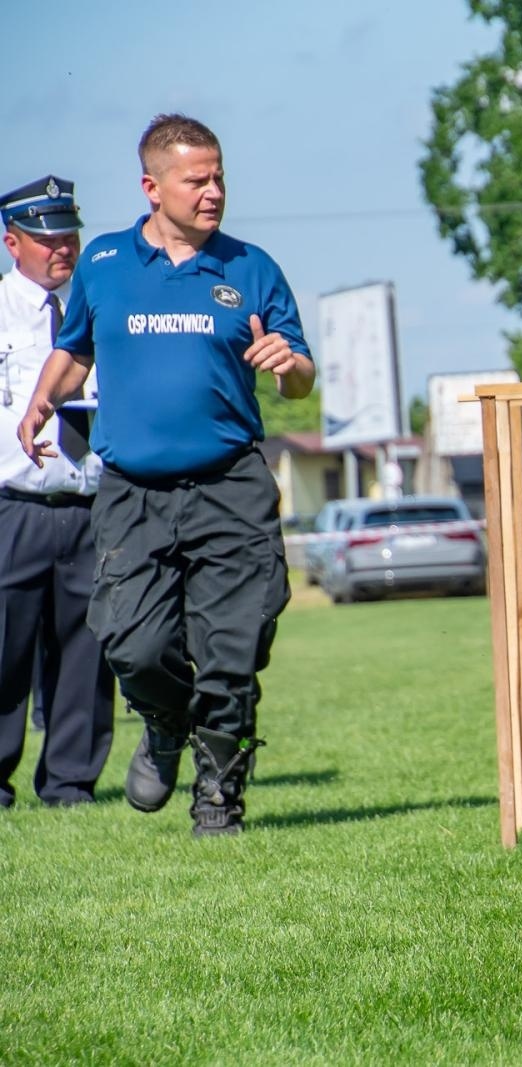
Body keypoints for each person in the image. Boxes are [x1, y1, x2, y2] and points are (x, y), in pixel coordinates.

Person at [18, 114, 315, 836]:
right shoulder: (105, 262)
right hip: (133, 492)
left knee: (233, 647)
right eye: (196, 180)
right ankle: (163, 721)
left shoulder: (252, 268)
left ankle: (219, 798)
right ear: (152, 187)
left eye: (219, 178)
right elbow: (76, 348)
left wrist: (289, 365)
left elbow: (301, 375)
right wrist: (41, 400)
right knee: (133, 642)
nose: (213, 192)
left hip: (230, 484)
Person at [0, 175, 115, 809]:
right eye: (46, 239)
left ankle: (72, 783)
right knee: (4, 648)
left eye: (69, 236)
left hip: (91, 503)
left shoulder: (101, 309)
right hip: (12, 505)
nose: (62, 248)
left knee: (87, 649)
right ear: (12, 242)